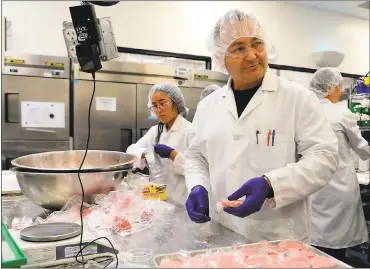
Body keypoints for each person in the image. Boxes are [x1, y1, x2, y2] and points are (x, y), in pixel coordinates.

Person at [184, 9, 339, 243]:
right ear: (220, 58)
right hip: (221, 231)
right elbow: (196, 156)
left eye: (257, 44)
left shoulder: (297, 98)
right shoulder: (208, 107)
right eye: (238, 48)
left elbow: (324, 156)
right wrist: (197, 186)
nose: (252, 55)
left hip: (278, 236)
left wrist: (271, 184)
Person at [308, 67, 369, 262]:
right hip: (339, 186)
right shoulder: (341, 114)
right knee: (337, 249)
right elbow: (363, 150)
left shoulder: (305, 111)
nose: (341, 91)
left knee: (313, 244)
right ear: (330, 87)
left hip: (312, 185)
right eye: (338, 87)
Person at [126, 82, 192, 204]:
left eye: (163, 103)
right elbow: (130, 151)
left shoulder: (190, 131)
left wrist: (173, 155)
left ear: (176, 103)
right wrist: (145, 153)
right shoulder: (156, 131)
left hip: (183, 203)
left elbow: (197, 169)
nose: (159, 110)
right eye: (155, 106)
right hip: (158, 201)